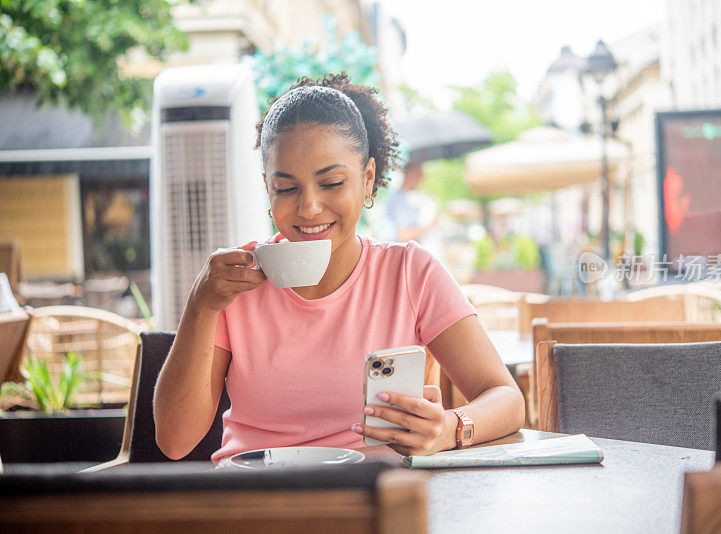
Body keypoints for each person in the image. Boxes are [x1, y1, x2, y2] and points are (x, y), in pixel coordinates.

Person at [153, 73, 524, 464]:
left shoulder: (410, 273)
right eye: (286, 188)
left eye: (330, 183)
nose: (309, 207)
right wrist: (201, 304)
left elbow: (507, 399)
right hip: (256, 504)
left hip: (375, 504)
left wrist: (450, 427)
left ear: (367, 180)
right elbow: (175, 441)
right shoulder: (232, 284)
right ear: (268, 188)